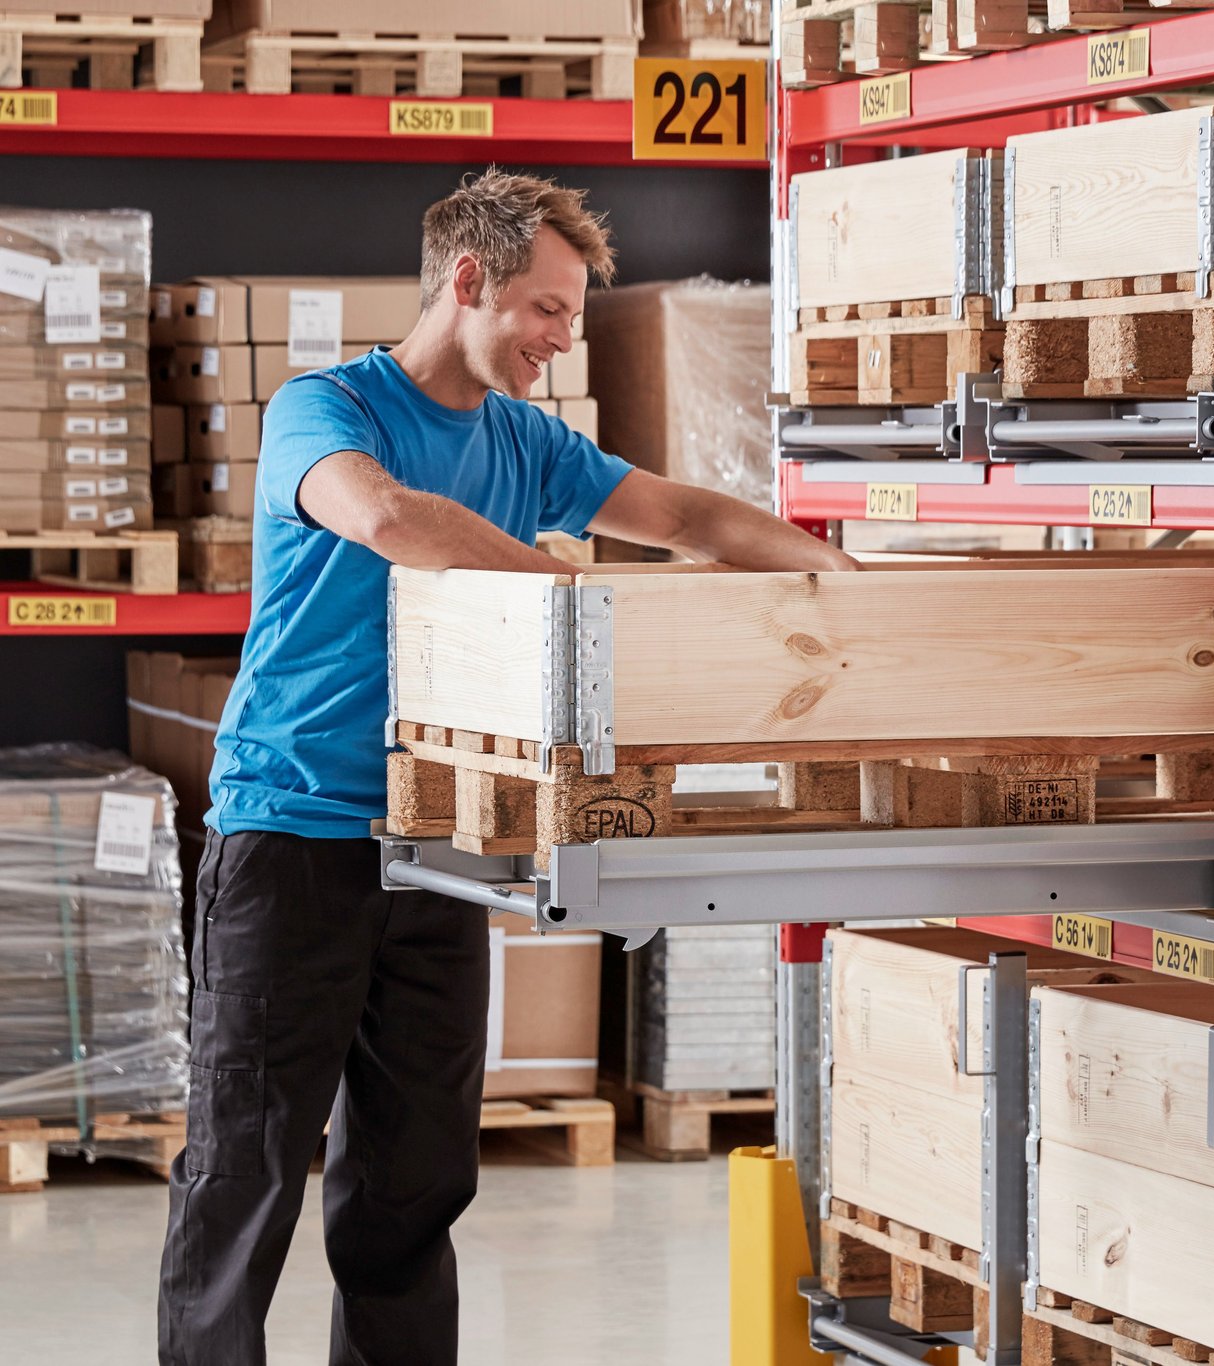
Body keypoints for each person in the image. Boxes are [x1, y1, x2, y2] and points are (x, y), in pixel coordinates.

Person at [157, 168, 860, 1366]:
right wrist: (574, 598)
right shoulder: (326, 411)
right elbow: (385, 519)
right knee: (246, 1173)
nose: (560, 339)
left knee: (412, 1184)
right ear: (468, 281)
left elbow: (687, 518)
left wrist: (846, 590)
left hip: (439, 852)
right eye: (544, 310)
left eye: (572, 317)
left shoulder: (527, 440)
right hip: (292, 842)